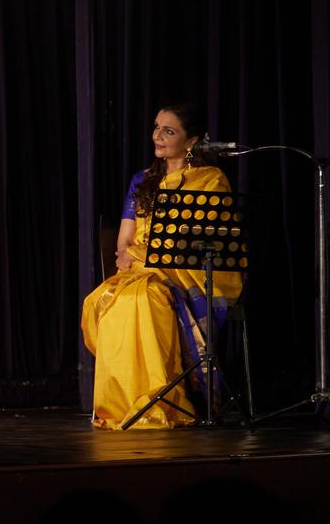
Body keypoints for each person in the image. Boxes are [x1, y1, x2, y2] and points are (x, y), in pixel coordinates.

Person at [81, 102, 242, 429]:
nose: (158, 136)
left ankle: (162, 400)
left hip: (189, 273)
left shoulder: (210, 180)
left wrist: (142, 254)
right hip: (141, 271)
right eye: (156, 127)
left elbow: (200, 238)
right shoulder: (142, 181)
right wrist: (132, 256)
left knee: (147, 300)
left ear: (191, 140)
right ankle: (123, 403)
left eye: (169, 131)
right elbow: (124, 242)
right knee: (106, 302)